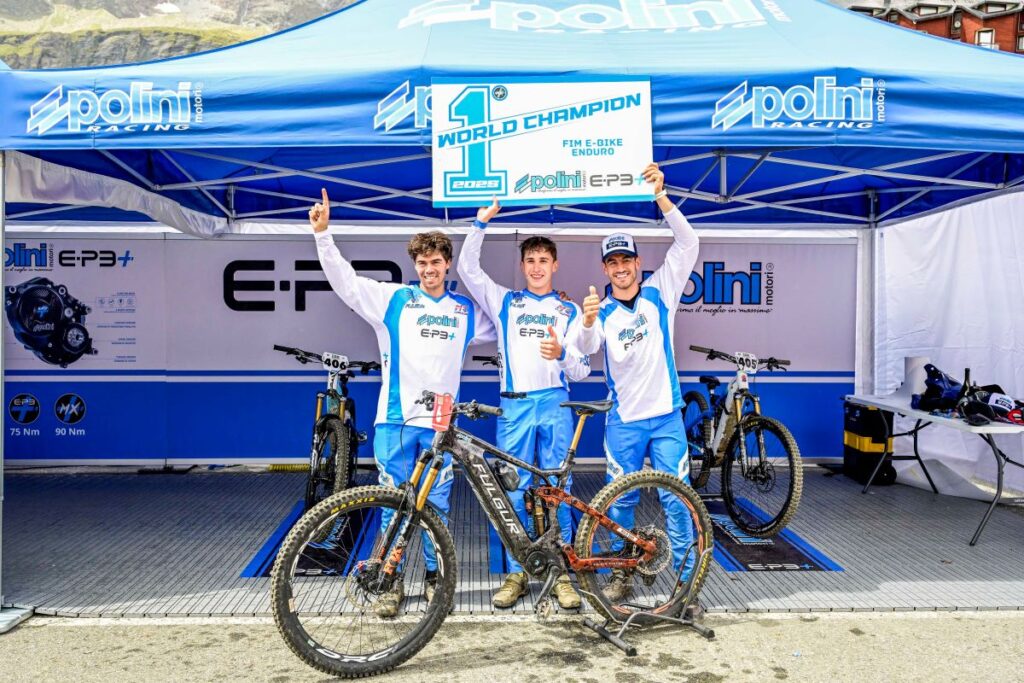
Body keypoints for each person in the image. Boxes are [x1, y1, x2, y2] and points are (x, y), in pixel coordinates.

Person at [310, 188, 496, 617]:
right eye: (423, 263)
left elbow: (507, 324)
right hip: (394, 422)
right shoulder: (394, 299)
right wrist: (323, 236)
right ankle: (389, 580)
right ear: (415, 266)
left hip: (439, 427)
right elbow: (346, 282)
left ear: (447, 264)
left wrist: (558, 310)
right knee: (392, 504)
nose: (430, 269)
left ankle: (434, 577)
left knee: (437, 507)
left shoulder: (465, 311)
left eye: (437, 262)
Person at [574, 162, 700, 602]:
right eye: (613, 262)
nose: (621, 268)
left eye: (626, 260)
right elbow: (584, 352)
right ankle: (621, 575)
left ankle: (686, 587)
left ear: (638, 263)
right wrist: (586, 321)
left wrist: (661, 197)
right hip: (623, 422)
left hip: (666, 418)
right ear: (605, 268)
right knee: (618, 503)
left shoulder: (661, 291)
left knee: (678, 502)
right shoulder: (600, 311)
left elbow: (689, 242)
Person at [458, 200, 591, 610]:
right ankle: (517, 572)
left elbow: (582, 369)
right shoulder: (505, 301)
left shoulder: (568, 310)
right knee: (512, 491)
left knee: (557, 489)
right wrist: (480, 222)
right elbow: (467, 268)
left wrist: (562, 355)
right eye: (530, 260)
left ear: (555, 265)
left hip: (555, 403)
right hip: (514, 407)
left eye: (543, 260)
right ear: (522, 265)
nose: (536, 267)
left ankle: (560, 573)